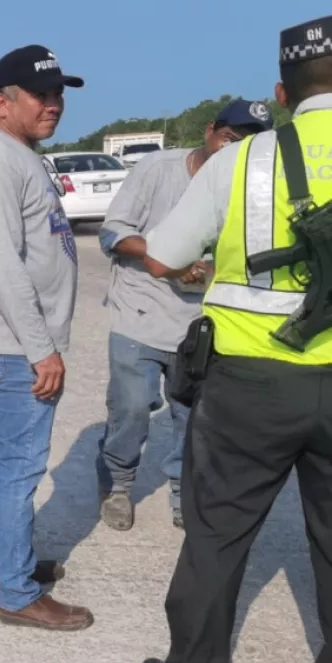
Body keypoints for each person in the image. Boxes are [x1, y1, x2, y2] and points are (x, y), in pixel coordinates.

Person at [127, 14, 332, 663]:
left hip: (248, 382)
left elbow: (160, 255)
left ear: (282, 92)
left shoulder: (240, 160)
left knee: (217, 532)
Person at [0, 45, 93, 631]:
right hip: (20, 350)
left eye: (59, 94)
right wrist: (42, 348)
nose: (54, 105)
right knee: (19, 469)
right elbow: (2, 266)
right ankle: (16, 593)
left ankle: (4, 561)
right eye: (42, 95)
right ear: (2, 102)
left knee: (10, 464)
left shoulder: (22, 155)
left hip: (23, 344)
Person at [95, 99, 274, 532]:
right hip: (140, 307)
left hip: (201, 320)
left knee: (191, 417)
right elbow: (114, 232)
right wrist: (168, 257)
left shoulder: (250, 185)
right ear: (210, 130)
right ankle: (117, 482)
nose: (233, 153)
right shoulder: (157, 170)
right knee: (133, 407)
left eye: (245, 146)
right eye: (229, 140)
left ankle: (183, 492)